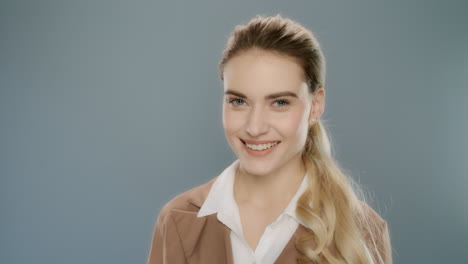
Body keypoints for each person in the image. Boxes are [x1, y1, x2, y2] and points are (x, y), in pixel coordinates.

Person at [146, 14, 392, 264]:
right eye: (238, 101)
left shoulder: (361, 232)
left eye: (279, 103)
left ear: (315, 106)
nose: (255, 127)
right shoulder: (177, 220)